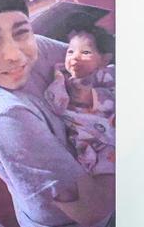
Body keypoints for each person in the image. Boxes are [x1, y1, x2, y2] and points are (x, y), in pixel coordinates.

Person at [0, 0, 114, 227]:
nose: (14, 54)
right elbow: (90, 209)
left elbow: (94, 68)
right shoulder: (6, 118)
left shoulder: (35, 45)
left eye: (21, 32)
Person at [43, 26, 116, 176]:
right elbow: (56, 105)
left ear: (104, 59)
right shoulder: (61, 79)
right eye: (70, 51)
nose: (75, 57)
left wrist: (93, 96)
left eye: (85, 52)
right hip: (87, 138)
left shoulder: (108, 74)